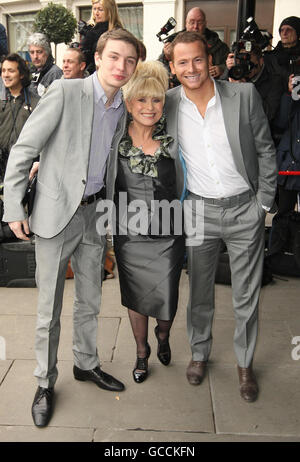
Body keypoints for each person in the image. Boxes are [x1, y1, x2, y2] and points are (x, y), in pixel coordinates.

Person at [3, 28, 140, 428]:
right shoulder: (66, 92)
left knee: (91, 301)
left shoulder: (121, 106)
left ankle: (86, 363)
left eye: (129, 60)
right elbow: (24, 150)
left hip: (95, 215)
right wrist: (14, 208)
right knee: (49, 309)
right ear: (98, 58)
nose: (121, 66)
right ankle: (44, 382)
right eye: (114, 57)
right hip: (55, 215)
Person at [165, 31, 277, 402]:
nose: (191, 68)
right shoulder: (166, 105)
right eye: (182, 62)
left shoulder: (243, 96)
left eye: (197, 59)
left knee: (247, 292)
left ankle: (244, 363)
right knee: (199, 290)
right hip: (198, 210)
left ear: (209, 59)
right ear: (173, 66)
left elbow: (265, 149)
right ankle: (199, 353)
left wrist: (263, 203)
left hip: (245, 207)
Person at [107, 61, 185, 383]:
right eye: (141, 100)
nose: (149, 107)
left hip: (169, 234)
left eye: (156, 100)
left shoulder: (175, 138)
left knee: (167, 302)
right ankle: (142, 353)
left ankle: (163, 336)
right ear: (129, 103)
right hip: (129, 235)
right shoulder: (114, 139)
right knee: (136, 298)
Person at [158, 7, 229, 86]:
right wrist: (167, 57)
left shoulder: (219, 46)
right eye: (192, 22)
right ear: (186, 23)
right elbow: (160, 69)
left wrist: (221, 69)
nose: (195, 26)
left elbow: (232, 68)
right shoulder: (173, 43)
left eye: (199, 22)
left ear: (205, 23)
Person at [224, 44, 283, 138]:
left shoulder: (274, 81)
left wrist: (245, 89)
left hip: (259, 136)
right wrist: (228, 71)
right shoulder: (234, 76)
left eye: (248, 60)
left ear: (260, 61)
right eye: (242, 60)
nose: (245, 65)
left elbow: (267, 115)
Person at [0, 54, 39, 183]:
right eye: (3, 70)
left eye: (11, 71)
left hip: (25, 169)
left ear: (21, 74)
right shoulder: (2, 102)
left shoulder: (36, 103)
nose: (5, 75)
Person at [275, 74, 300, 215]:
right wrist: (290, 93)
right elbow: (281, 123)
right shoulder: (293, 100)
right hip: (289, 166)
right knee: (283, 217)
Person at [80, 0, 123, 74]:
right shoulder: (91, 30)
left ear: (109, 11)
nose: (96, 13)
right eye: (94, 9)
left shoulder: (117, 32)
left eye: (100, 9)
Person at [264, 16, 300, 91]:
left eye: (289, 30)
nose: (284, 33)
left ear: (298, 33)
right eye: (282, 30)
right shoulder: (270, 57)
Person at [27, 32, 63, 97]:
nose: (35, 56)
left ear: (47, 52)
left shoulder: (55, 73)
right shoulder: (32, 71)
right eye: (32, 52)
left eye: (39, 52)